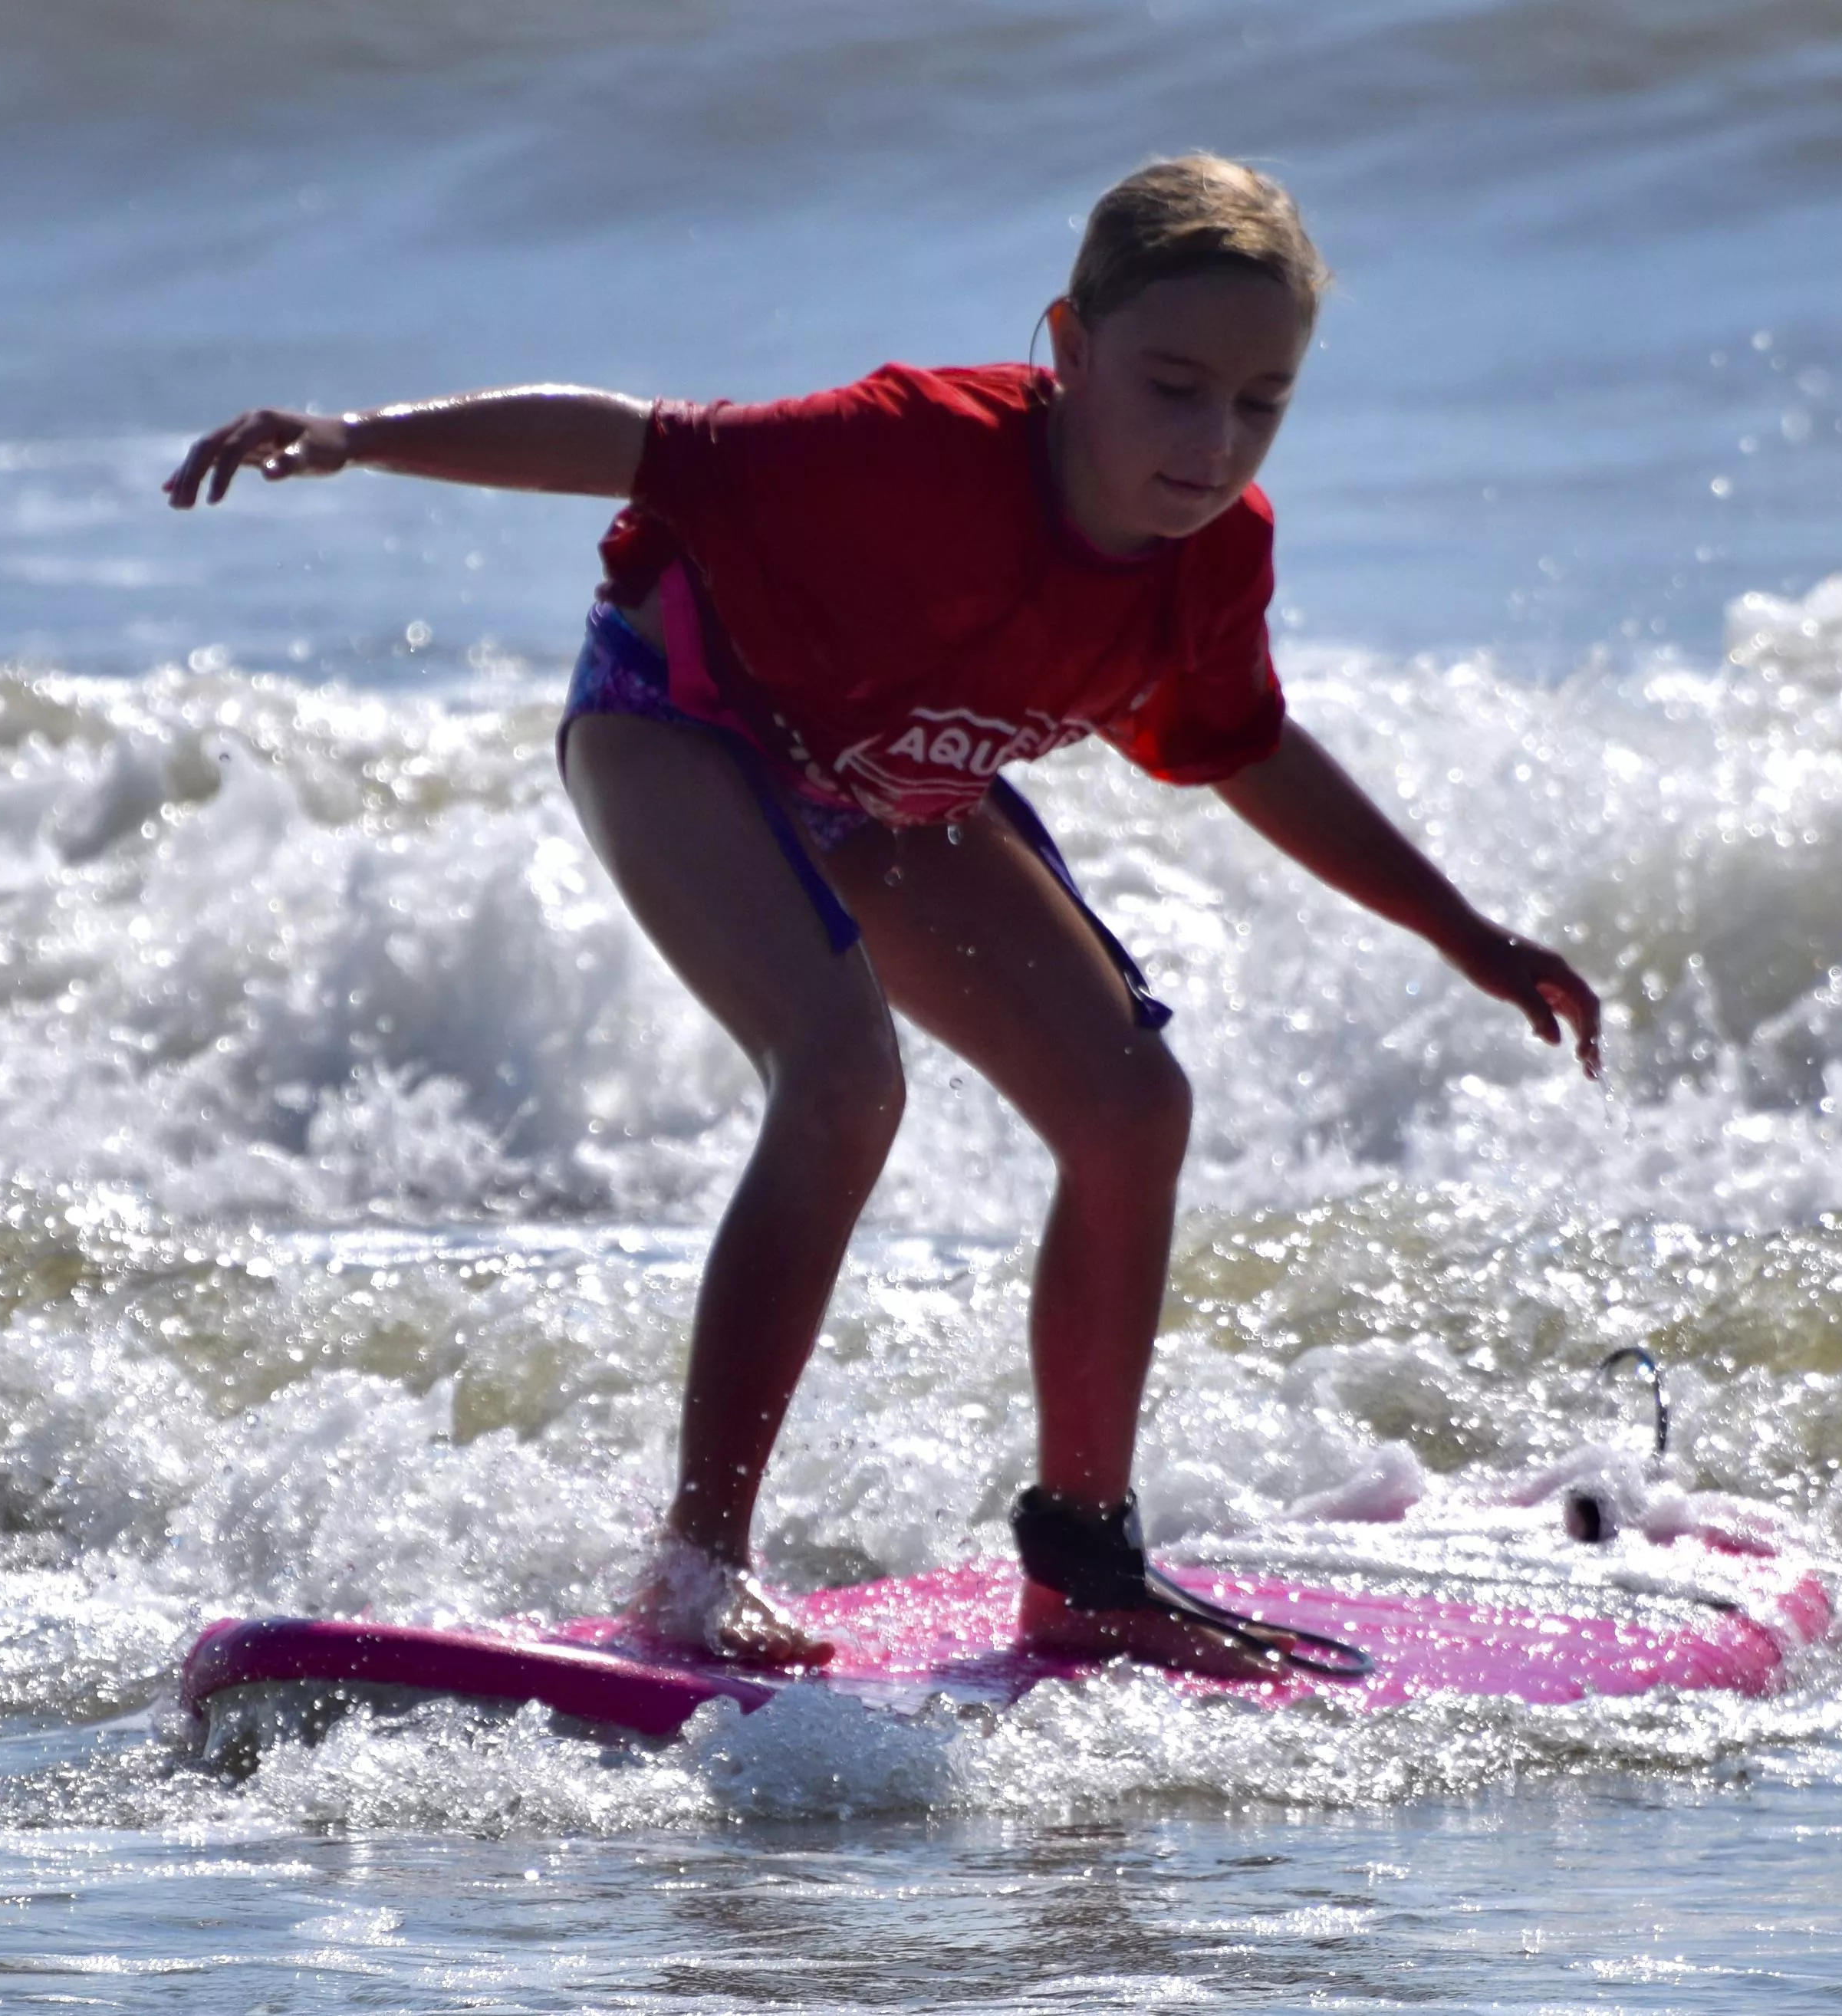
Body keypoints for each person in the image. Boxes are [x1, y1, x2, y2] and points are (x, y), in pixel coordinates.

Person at [163, 155, 1600, 1679]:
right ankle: (699, 1569)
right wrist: (354, 440)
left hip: (885, 783)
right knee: (843, 1079)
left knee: (1130, 1106)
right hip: (682, 721)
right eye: (1173, 385)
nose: (1212, 441)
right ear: (1069, 347)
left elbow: (1244, 745)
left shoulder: (1215, 557)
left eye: (1262, 403)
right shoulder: (911, 449)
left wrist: (1463, 929)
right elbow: (642, 445)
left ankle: (1088, 1572)